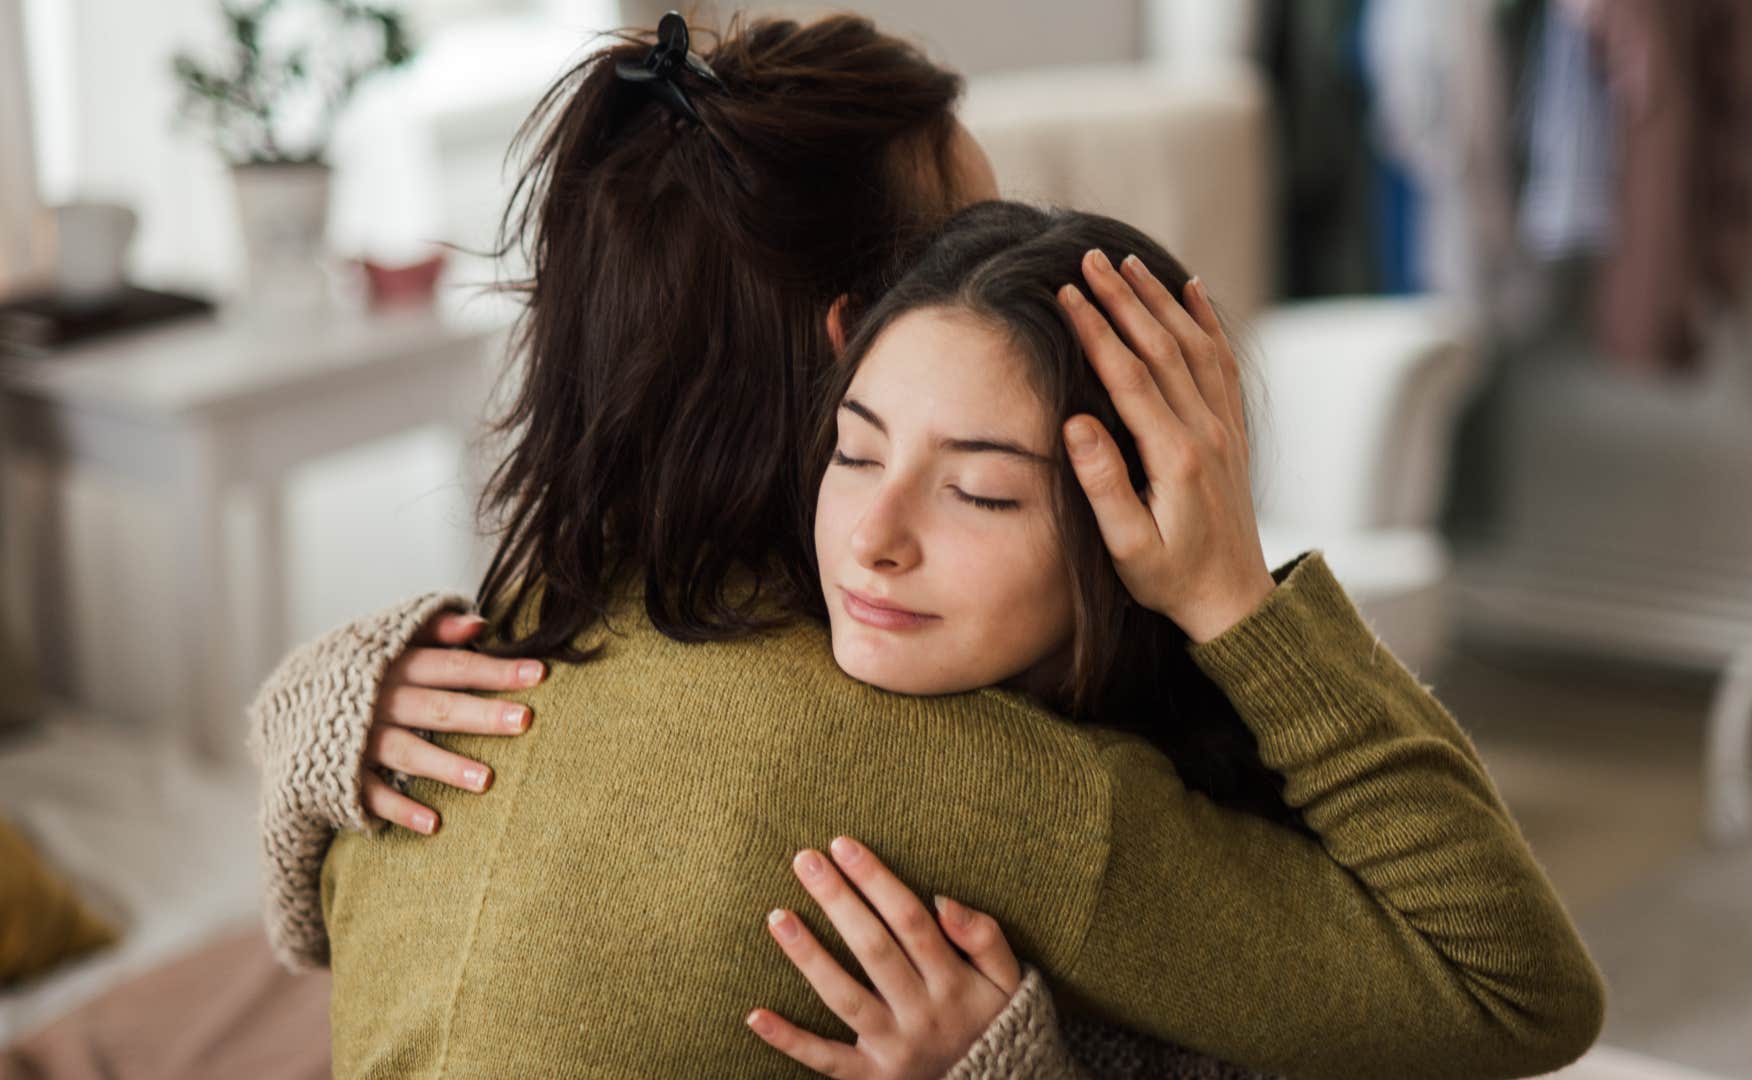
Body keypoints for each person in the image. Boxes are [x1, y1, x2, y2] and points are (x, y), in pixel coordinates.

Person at [249, 14, 1605, 1079]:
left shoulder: (478, 650)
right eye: (966, 241)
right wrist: (1238, 601)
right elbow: (1512, 994)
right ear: (861, 336)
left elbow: (305, 929)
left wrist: (294, 715)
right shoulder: (965, 780)